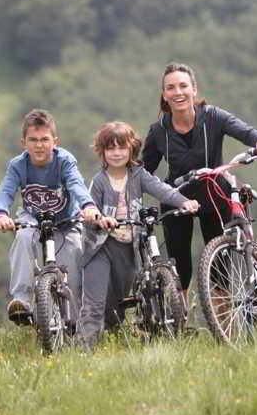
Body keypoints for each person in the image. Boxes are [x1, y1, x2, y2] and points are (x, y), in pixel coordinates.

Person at [142, 62, 257, 296]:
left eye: (183, 86)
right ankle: (179, 322)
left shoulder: (214, 117)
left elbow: (247, 132)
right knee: (179, 267)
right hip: (177, 196)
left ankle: (222, 324)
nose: (178, 93)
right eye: (171, 88)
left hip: (215, 194)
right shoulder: (158, 131)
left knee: (220, 267)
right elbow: (143, 171)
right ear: (164, 95)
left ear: (194, 89)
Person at [75, 121, 199, 350]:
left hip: (130, 247)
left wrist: (184, 201)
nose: (116, 153)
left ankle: (116, 336)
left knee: (118, 301)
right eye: (110, 148)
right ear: (102, 152)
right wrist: (98, 217)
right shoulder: (99, 181)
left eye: (121, 147)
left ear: (132, 149)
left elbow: (162, 189)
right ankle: (84, 350)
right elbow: (89, 207)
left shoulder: (138, 175)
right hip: (100, 248)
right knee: (95, 302)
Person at [0, 108, 102, 326]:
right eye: (33, 140)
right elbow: (5, 191)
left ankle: (77, 323)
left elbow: (76, 185)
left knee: (74, 266)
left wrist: (88, 206)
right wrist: (1, 214)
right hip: (33, 218)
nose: (39, 145)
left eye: (44, 139)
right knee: (23, 237)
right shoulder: (17, 165)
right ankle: (22, 300)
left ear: (55, 142)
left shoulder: (65, 161)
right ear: (24, 142)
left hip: (65, 221)